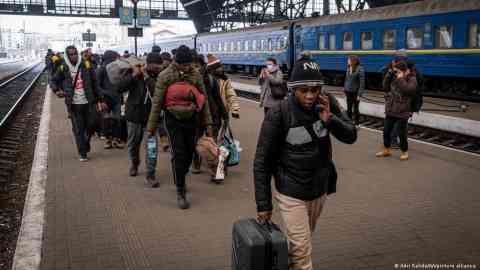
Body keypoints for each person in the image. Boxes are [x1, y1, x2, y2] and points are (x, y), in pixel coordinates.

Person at [254, 58, 357, 270]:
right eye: (303, 90)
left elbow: (351, 135)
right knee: (302, 251)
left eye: (315, 90)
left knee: (300, 243)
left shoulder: (326, 102)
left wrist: (330, 120)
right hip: (290, 190)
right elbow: (262, 161)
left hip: (319, 189)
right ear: (293, 89)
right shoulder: (279, 113)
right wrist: (264, 204)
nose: (310, 96)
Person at [147, 45, 213, 209]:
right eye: (185, 65)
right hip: (172, 119)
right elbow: (156, 102)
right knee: (179, 152)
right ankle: (180, 191)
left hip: (191, 118)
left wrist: (208, 123)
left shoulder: (195, 74)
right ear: (178, 63)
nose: (189, 67)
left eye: (190, 64)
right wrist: (151, 127)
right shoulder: (165, 75)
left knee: (190, 152)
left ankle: (181, 175)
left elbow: (203, 100)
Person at [114, 54, 162, 188]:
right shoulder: (135, 73)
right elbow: (119, 88)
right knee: (133, 145)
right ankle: (134, 163)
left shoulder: (160, 77)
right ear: (149, 64)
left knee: (151, 148)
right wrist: (134, 75)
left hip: (151, 119)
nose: (158, 68)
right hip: (134, 117)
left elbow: (157, 92)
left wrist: (147, 78)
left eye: (160, 66)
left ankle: (150, 174)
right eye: (156, 66)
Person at [192, 54, 241, 180]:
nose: (221, 69)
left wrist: (226, 115)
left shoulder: (215, 81)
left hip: (214, 116)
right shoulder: (192, 80)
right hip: (197, 117)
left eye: (197, 65)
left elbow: (220, 100)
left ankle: (218, 171)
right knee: (196, 142)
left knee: (214, 145)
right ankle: (197, 163)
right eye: (217, 67)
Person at [51, 45, 103, 161]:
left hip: (88, 102)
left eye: (75, 53)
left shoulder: (86, 64)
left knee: (92, 125)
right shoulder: (63, 67)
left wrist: (100, 99)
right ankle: (82, 153)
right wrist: (57, 90)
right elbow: (54, 80)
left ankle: (85, 142)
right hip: (73, 104)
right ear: (67, 55)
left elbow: (95, 82)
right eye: (71, 54)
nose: (73, 56)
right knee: (78, 129)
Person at [376, 60, 417, 161]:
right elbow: (385, 87)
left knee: (401, 133)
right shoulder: (394, 77)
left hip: (403, 111)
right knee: (386, 131)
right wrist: (389, 74)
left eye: (398, 71)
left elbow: (408, 91)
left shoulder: (412, 79)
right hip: (391, 109)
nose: (396, 73)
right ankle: (386, 149)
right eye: (395, 71)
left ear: (405, 71)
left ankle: (404, 152)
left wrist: (401, 79)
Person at [96, 50, 124, 149]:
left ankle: (116, 139)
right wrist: (102, 97)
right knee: (107, 120)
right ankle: (109, 140)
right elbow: (97, 85)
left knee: (117, 119)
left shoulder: (116, 68)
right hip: (106, 99)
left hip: (116, 98)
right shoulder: (102, 69)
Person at [343, 55, 365, 125]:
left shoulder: (360, 69)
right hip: (348, 92)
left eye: (348, 60)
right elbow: (346, 80)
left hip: (355, 92)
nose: (347, 61)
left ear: (353, 61)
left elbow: (362, 83)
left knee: (356, 109)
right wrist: (344, 90)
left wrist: (359, 94)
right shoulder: (348, 68)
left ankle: (357, 123)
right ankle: (349, 123)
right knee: (349, 109)